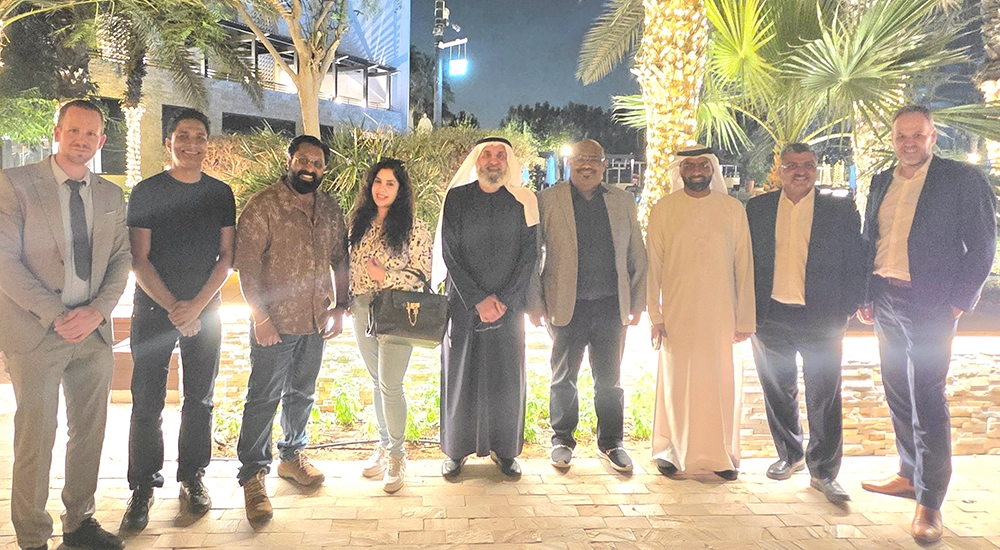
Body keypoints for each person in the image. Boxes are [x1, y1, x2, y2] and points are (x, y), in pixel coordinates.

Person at [857, 106, 996, 543]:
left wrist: (958, 301)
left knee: (928, 399)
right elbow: (871, 239)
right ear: (893, 138)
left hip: (931, 305)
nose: (909, 143)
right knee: (897, 391)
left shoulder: (960, 179)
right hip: (886, 299)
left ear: (932, 136)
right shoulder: (882, 180)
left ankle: (930, 501)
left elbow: (983, 243)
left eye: (918, 135)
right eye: (902, 136)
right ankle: (908, 474)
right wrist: (866, 294)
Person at [0, 99, 129, 550]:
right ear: (57, 133)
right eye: (73, 130)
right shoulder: (15, 183)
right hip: (37, 331)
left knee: (90, 432)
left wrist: (98, 311)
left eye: (91, 134)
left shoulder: (110, 194)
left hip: (93, 332)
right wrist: (57, 315)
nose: (81, 140)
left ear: (102, 140)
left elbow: (121, 259)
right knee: (36, 437)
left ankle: (79, 523)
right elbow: (4, 261)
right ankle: (33, 537)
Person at [120, 108, 236, 532]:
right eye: (183, 136)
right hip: (154, 310)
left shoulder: (220, 193)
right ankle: (142, 486)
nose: (192, 144)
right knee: (146, 402)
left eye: (199, 136)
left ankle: (193, 477)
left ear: (208, 143)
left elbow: (226, 257)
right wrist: (175, 307)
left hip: (205, 310)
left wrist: (197, 306)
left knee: (200, 399)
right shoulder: (147, 191)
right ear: (169, 142)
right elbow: (139, 259)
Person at [233, 134, 349, 522]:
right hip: (275, 324)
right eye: (303, 160)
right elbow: (247, 268)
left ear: (324, 168)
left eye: (317, 163)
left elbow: (341, 259)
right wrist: (261, 318)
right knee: (263, 397)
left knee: (302, 392)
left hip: (316, 321)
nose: (309, 168)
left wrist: (341, 306)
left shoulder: (329, 208)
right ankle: (253, 475)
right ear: (290, 160)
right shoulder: (264, 205)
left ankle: (292, 455)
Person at [745, 142, 864, 504]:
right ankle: (790, 454)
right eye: (792, 165)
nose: (800, 171)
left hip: (822, 319)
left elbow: (857, 260)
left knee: (824, 394)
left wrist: (848, 307)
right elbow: (744, 261)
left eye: (807, 165)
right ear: (779, 170)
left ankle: (824, 471)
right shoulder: (758, 209)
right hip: (771, 316)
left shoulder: (840, 209)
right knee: (777, 390)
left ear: (815, 168)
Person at [527, 139, 647, 472]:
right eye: (580, 158)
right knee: (563, 377)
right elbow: (533, 254)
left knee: (610, 380)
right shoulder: (547, 200)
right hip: (566, 304)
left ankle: (611, 443)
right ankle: (562, 440)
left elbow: (636, 253)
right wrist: (534, 302)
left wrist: (639, 301)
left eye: (594, 159)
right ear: (570, 163)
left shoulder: (622, 201)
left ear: (604, 164)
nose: (587, 165)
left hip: (611, 305)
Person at [646, 145, 755, 480]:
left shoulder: (732, 209)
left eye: (703, 165)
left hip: (721, 314)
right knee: (676, 382)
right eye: (689, 165)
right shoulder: (663, 209)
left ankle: (720, 455)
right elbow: (653, 267)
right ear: (680, 170)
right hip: (676, 313)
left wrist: (745, 318)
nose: (696, 170)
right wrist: (655, 316)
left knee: (718, 380)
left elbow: (744, 266)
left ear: (712, 169)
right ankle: (671, 451)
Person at [434, 137, 538, 478]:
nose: (493, 161)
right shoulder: (457, 198)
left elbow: (529, 256)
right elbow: (450, 252)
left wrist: (504, 300)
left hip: (509, 307)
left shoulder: (524, 201)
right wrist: (478, 299)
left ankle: (505, 451)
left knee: (506, 378)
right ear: (476, 161)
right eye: (487, 155)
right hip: (465, 305)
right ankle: (456, 450)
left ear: (508, 162)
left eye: (500, 155)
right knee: (461, 375)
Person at [349, 158, 433, 493]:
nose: (382, 189)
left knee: (391, 385)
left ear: (401, 189)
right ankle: (384, 445)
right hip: (362, 308)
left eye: (390, 183)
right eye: (378, 182)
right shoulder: (360, 222)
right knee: (376, 380)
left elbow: (423, 275)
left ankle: (398, 455)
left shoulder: (414, 227)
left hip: (397, 309)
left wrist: (385, 276)